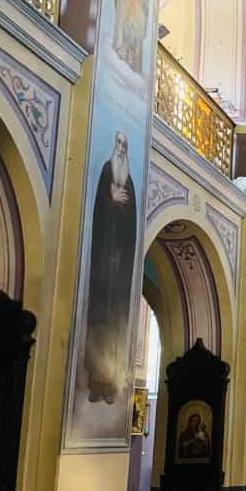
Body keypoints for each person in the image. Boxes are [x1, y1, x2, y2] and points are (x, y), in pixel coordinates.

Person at [85, 130, 138, 405]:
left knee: (117, 317)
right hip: (102, 262)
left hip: (120, 267)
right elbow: (98, 207)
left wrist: (120, 204)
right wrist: (110, 200)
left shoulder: (128, 180)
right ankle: (96, 377)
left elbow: (132, 225)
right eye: (117, 143)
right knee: (99, 316)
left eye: (123, 144)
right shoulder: (107, 171)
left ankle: (112, 380)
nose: (119, 148)